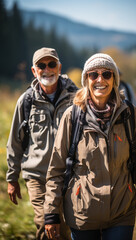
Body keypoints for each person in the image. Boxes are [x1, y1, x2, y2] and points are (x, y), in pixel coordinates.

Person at [44, 53, 136, 240]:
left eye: (106, 74)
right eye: (93, 74)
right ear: (86, 80)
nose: (100, 79)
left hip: (122, 212)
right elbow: (56, 168)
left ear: (114, 79)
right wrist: (51, 213)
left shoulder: (129, 115)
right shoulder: (72, 117)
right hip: (82, 213)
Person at [6, 47, 78, 240]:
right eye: (41, 65)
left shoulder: (77, 98)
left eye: (52, 64)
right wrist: (12, 177)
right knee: (46, 224)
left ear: (59, 67)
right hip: (37, 176)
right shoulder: (26, 101)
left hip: (69, 176)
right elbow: (15, 141)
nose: (47, 69)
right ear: (34, 71)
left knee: (68, 227)